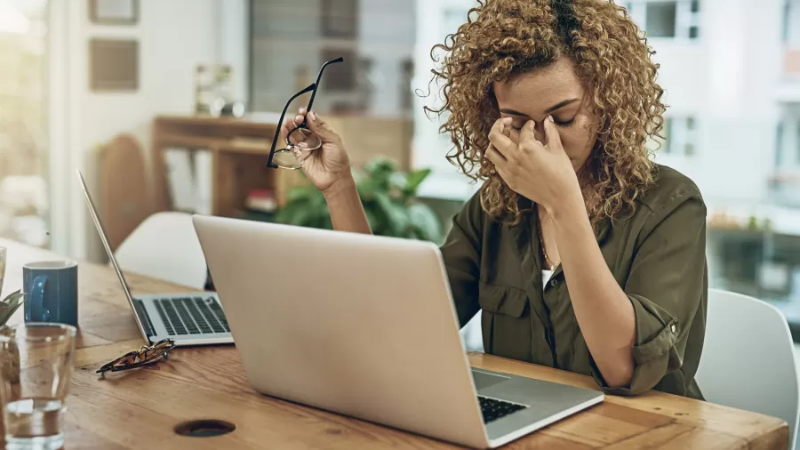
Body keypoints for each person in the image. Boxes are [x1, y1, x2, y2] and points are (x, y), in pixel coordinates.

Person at [280, 0, 706, 399]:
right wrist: (340, 188)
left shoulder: (671, 205)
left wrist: (563, 204)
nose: (540, 140)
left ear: (605, 100)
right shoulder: (499, 206)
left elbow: (623, 369)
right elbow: (397, 324)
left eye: (563, 118)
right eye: (516, 121)